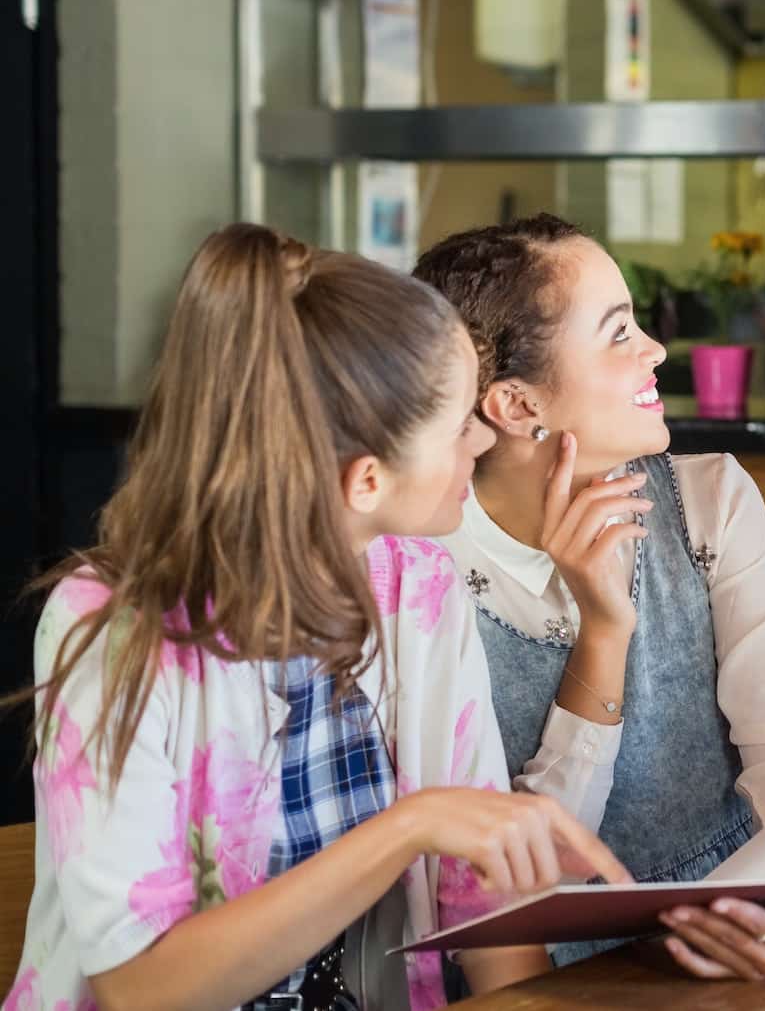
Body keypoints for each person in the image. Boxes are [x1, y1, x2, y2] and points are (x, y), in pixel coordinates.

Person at [6, 224, 627, 1011]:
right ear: (366, 480)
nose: (482, 436)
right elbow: (143, 985)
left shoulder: (418, 585)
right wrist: (410, 826)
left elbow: (485, 903)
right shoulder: (107, 627)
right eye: (455, 425)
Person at [415, 214, 765, 982]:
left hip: (761, 904)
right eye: (618, 332)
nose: (657, 349)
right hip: (560, 959)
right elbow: (522, 869)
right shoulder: (425, 571)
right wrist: (603, 631)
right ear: (516, 405)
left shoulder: (713, 500)